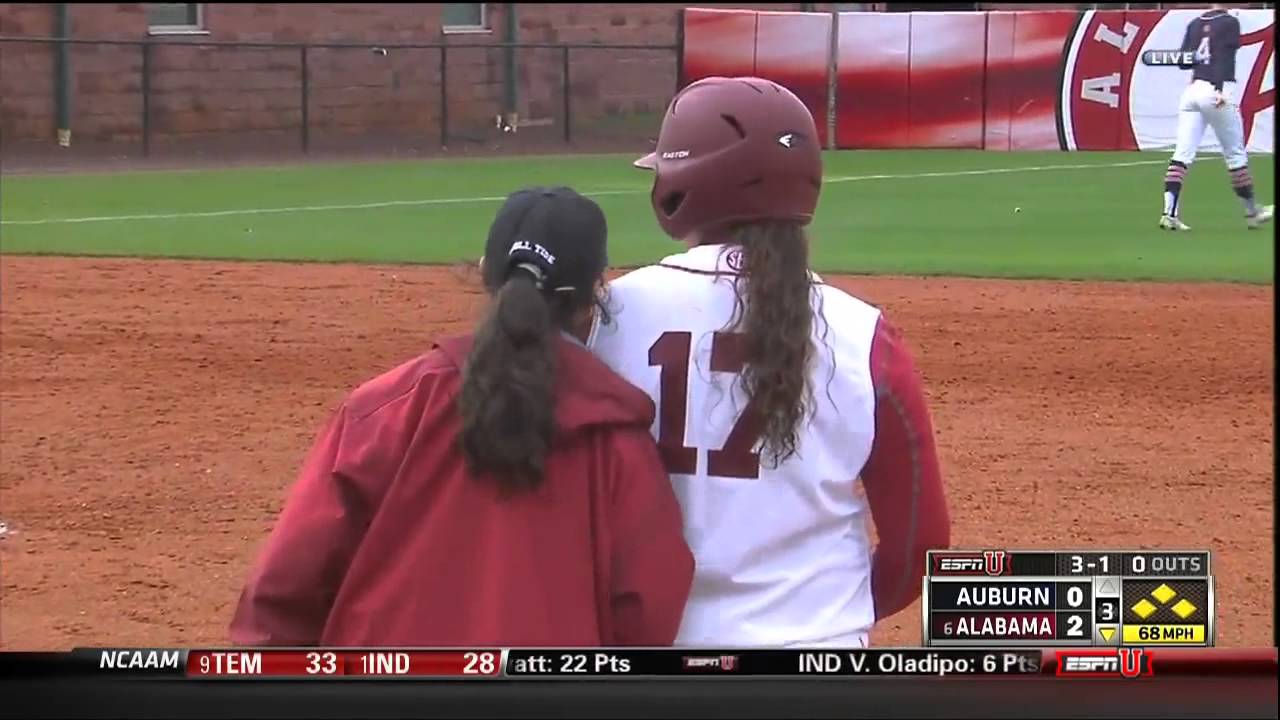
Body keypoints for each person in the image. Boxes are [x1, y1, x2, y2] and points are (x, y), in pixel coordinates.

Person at [231, 187, 694, 647]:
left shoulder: (390, 408)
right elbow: (646, 613)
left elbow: (282, 592)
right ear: (596, 293)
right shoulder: (617, 440)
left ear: (485, 272)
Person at [588, 76, 951, 648]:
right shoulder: (864, 336)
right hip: (815, 667)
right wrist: (832, 615)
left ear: (680, 186)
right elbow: (920, 547)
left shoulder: (608, 316)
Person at [1160, 4, 1273, 231]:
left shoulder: (1194, 23)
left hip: (1192, 90)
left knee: (1182, 153)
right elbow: (1223, 56)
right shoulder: (1230, 22)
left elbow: (1183, 61)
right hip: (1216, 90)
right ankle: (1253, 211)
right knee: (1234, 154)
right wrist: (1219, 89)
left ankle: (1169, 213)